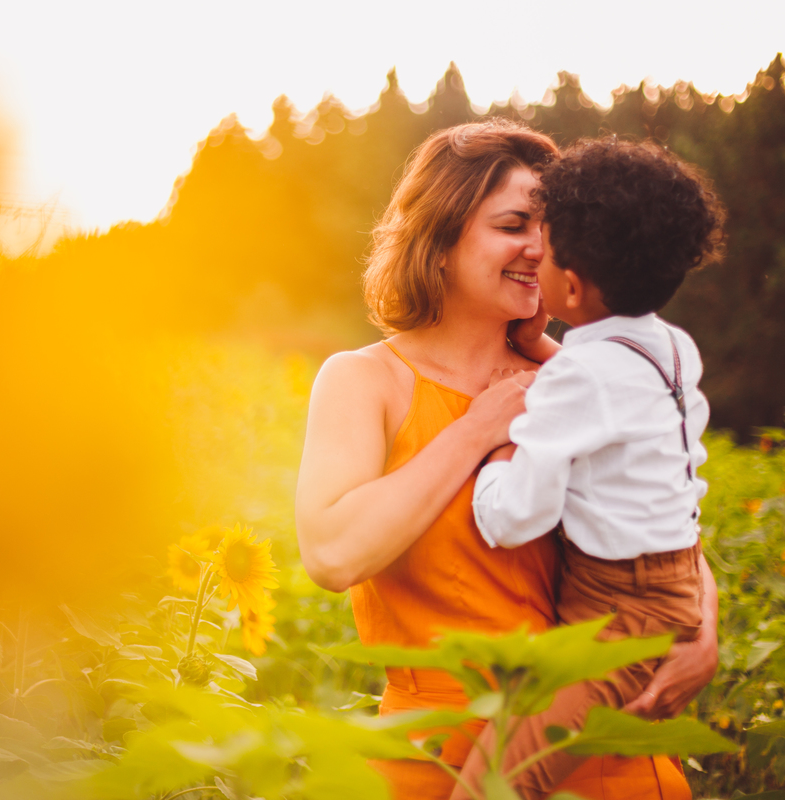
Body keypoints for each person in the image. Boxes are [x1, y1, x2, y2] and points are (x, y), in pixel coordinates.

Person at [295, 118, 719, 800]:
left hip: (599, 745)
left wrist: (705, 618)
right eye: (514, 223)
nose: (539, 248)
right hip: (433, 752)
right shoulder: (364, 379)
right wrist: (474, 431)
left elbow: (660, 512)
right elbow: (332, 554)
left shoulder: (572, 376)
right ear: (439, 240)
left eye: (548, 228)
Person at [460, 137, 726, 800]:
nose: (532, 257)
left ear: (569, 286)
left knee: (496, 780)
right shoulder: (672, 348)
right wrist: (545, 347)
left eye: (543, 248)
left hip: (619, 615)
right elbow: (622, 405)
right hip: (667, 587)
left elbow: (518, 516)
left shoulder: (578, 378)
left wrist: (494, 452)